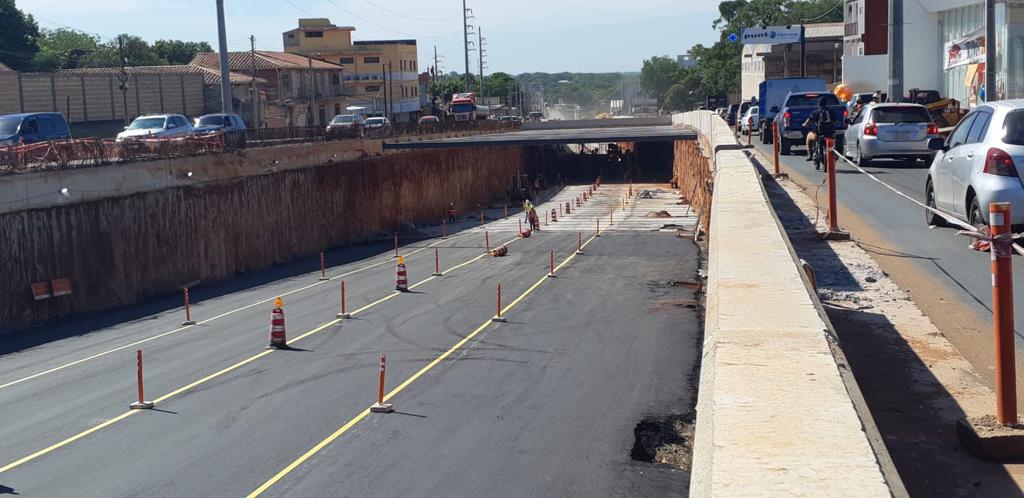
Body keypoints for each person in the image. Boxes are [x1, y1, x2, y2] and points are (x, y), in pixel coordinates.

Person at [802, 97, 835, 171]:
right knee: (834, 142)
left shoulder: (815, 113)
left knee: (808, 136)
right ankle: (835, 155)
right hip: (830, 134)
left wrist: (804, 124)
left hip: (818, 134)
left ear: (818, 104)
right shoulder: (831, 112)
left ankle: (810, 154)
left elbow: (807, 122)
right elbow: (835, 121)